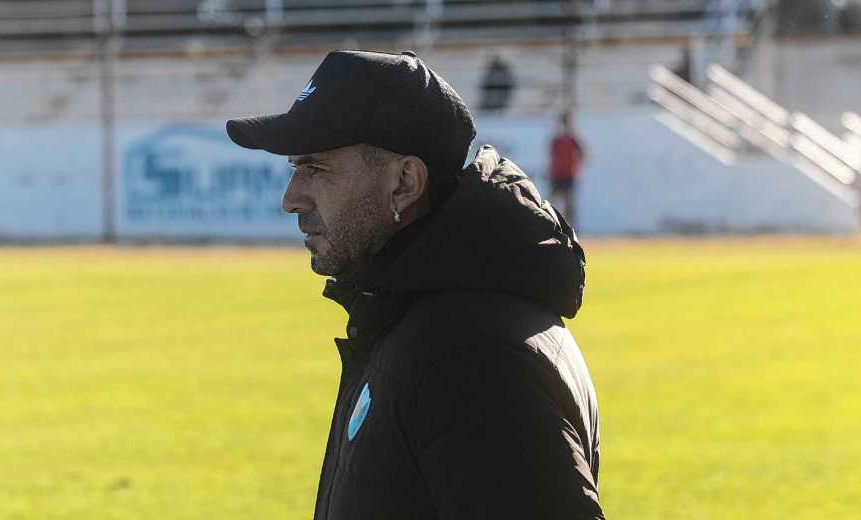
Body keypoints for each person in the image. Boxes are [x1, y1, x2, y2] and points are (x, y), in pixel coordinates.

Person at [226, 50, 604, 520]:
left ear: (405, 182)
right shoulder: (418, 320)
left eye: (316, 169)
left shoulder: (472, 357)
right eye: (294, 170)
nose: (291, 199)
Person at [549, 110, 585, 226]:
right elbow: (551, 158)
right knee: (552, 203)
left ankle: (571, 229)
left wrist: (576, 168)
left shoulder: (573, 139)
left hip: (569, 176)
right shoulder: (556, 140)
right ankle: (551, 225)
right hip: (558, 175)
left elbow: (583, 154)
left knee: (569, 205)